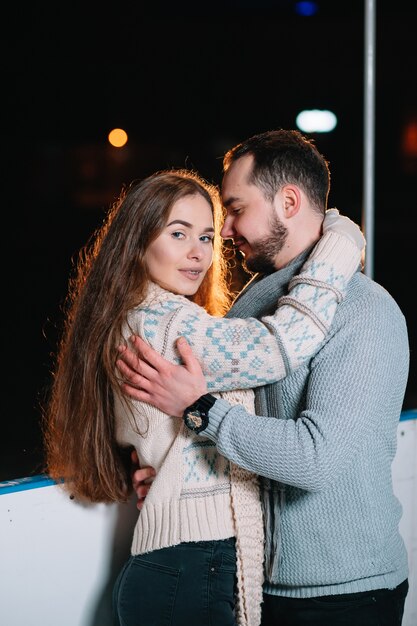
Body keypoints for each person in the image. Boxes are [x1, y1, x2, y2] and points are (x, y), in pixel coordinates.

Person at [42, 163, 364, 626]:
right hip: (190, 572)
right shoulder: (166, 323)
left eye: (208, 237)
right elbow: (281, 345)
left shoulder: (136, 319)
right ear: (137, 243)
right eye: (179, 234)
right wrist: (341, 241)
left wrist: (170, 474)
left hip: (180, 570)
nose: (198, 253)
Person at [116, 130, 410, 626]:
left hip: (343, 595)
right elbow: (238, 435)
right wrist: (173, 473)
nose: (225, 231)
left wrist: (201, 411)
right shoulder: (253, 303)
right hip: (258, 585)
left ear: (288, 201)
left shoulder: (364, 311)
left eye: (234, 209)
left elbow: (315, 458)